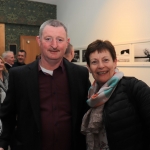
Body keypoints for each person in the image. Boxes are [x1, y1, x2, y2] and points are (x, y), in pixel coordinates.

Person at [0, 19, 91, 150]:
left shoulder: (80, 74)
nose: (54, 45)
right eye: (48, 39)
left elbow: (87, 110)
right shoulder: (19, 75)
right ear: (39, 41)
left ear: (67, 43)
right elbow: (8, 114)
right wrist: (2, 143)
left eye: (60, 40)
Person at [81, 39, 150, 150]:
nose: (101, 66)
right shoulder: (90, 95)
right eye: (94, 62)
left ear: (115, 62)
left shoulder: (134, 87)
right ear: (88, 67)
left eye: (106, 60)